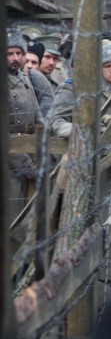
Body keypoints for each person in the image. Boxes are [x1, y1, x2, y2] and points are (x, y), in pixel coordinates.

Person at [6, 29, 43, 256]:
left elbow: (38, 119)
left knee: (27, 225)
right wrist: (25, 164)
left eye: (19, 53)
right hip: (10, 167)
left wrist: (42, 155)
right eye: (9, 53)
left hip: (29, 162)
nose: (15, 58)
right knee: (12, 227)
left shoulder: (23, 78)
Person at [23, 41, 54, 119]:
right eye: (26, 61)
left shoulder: (43, 86)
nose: (29, 66)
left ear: (39, 65)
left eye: (34, 62)